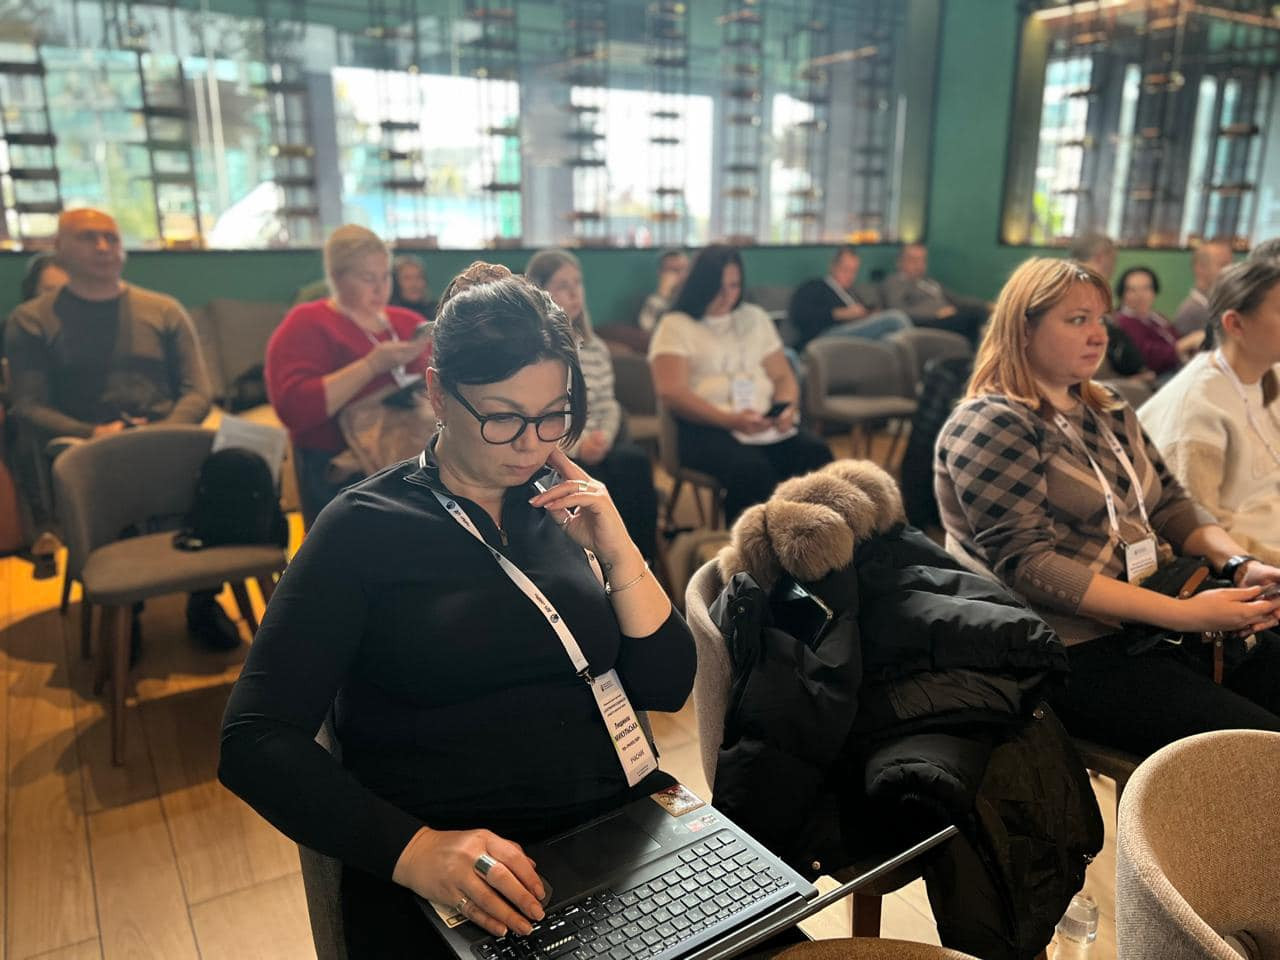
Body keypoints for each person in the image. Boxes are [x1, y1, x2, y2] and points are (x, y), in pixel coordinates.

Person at [219, 261, 695, 955]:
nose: (533, 443)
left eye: (554, 414)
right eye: (503, 418)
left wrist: (621, 554)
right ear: (439, 393)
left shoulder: (561, 503)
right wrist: (415, 851)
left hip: (615, 834)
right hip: (461, 875)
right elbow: (253, 740)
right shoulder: (362, 528)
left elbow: (668, 685)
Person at [935, 257, 1280, 757]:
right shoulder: (992, 421)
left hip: (1152, 614)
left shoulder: (1108, 407)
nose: (1099, 335)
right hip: (1068, 648)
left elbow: (1170, 505)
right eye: (1077, 320)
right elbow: (1030, 566)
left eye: (1100, 318)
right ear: (1024, 329)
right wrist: (1182, 615)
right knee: (1262, 756)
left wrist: (1238, 564)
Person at [2, 209, 237, 648]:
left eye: (111, 237)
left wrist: (162, 434)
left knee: (233, 465)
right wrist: (93, 435)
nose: (103, 247)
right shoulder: (32, 321)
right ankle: (128, 611)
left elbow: (197, 392)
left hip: (168, 439)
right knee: (99, 476)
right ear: (59, 248)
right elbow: (28, 405)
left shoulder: (163, 310)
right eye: (88, 238)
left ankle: (204, 600)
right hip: (89, 449)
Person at [649, 244, 833, 523]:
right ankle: (753, 546)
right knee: (753, 471)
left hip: (763, 423)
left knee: (816, 454)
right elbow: (672, 392)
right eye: (718, 287)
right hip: (705, 428)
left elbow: (782, 376)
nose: (727, 296)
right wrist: (730, 420)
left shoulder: (754, 317)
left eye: (734, 286)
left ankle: (813, 537)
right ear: (701, 285)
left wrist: (786, 408)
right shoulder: (675, 325)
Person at [265, 224, 431, 527]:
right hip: (339, 470)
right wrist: (371, 366)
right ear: (337, 277)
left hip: (412, 460)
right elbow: (294, 408)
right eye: (368, 278)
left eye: (385, 277)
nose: (380, 288)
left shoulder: (408, 323)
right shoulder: (308, 323)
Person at [1139, 258, 1280, 566]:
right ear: (1236, 324)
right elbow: (1197, 530)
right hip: (1250, 566)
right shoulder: (1197, 408)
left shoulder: (1266, 377)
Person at [526, 249, 659, 562]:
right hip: (560, 450)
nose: (575, 293)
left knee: (634, 463)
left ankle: (638, 560)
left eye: (578, 283)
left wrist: (604, 438)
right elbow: (541, 416)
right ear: (540, 293)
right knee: (592, 483)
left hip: (599, 442)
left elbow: (609, 405)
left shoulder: (595, 347)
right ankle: (595, 564)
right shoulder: (536, 352)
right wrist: (581, 444)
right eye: (563, 286)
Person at [787, 244, 912, 350]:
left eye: (854, 271)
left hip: (855, 334)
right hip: (825, 336)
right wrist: (838, 313)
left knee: (889, 338)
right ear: (833, 266)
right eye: (845, 269)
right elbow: (799, 314)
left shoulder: (852, 293)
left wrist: (868, 315)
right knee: (895, 318)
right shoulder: (816, 287)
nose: (850, 275)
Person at [881, 243, 988, 345]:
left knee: (980, 311)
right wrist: (936, 313)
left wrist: (986, 305)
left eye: (922, 260)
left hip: (949, 318)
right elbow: (898, 310)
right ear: (900, 262)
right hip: (927, 321)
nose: (919, 265)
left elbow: (958, 300)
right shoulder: (895, 282)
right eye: (914, 260)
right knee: (974, 316)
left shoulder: (930, 283)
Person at [1112, 267, 1199, 378]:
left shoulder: (1156, 317)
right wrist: (1185, 344)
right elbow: (1149, 358)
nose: (1140, 295)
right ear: (1122, 294)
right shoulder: (1122, 322)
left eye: (1146, 288)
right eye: (1132, 290)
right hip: (1158, 378)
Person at [1173, 239, 1233, 337]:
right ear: (1200, 268)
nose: (1231, 270)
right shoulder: (1190, 313)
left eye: (1232, 264)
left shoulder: (1224, 306)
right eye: (1223, 265)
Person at [637, 249, 689, 333]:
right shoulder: (653, 300)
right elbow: (647, 326)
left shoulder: (695, 297)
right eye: (674, 270)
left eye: (685, 269)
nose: (682, 275)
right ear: (661, 273)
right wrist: (662, 296)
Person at [390, 254, 436, 323]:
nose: (414, 284)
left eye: (418, 277)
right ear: (396, 282)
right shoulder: (388, 315)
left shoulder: (437, 312)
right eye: (407, 278)